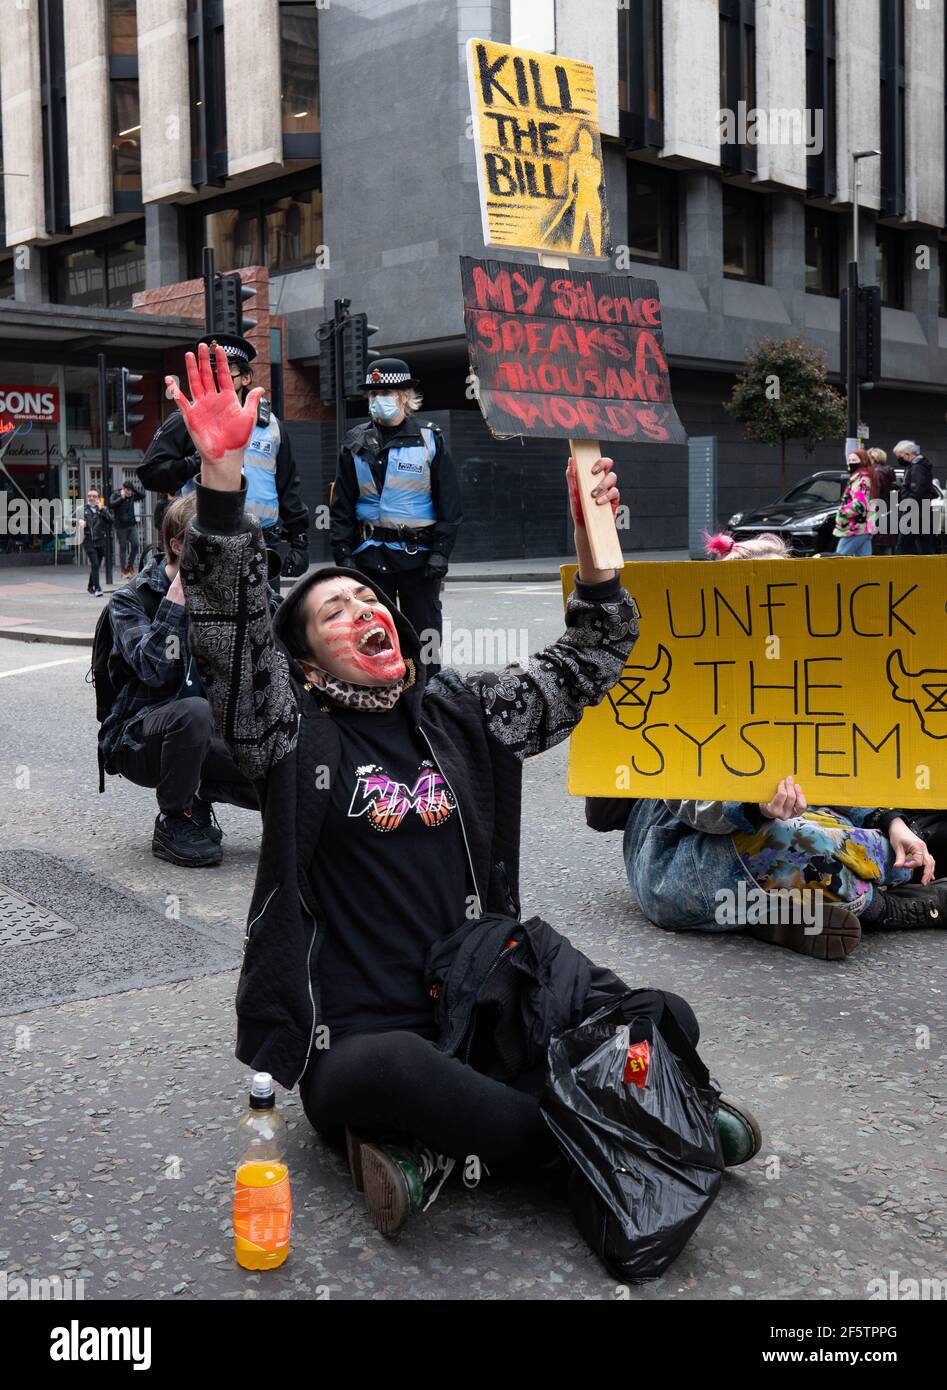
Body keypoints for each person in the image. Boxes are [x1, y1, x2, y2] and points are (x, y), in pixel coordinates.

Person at [172, 342, 761, 1237]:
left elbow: (590, 660)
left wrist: (595, 554)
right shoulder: (289, 732)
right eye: (333, 612)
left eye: (368, 601)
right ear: (299, 658)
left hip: (484, 1002)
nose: (363, 612)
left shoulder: (463, 711)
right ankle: (636, 1129)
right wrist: (221, 478)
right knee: (411, 1080)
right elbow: (231, 643)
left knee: (657, 1014)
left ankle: (451, 1150)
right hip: (368, 1040)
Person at [588, 532, 947, 959]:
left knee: (851, 833)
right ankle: (889, 908)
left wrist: (891, 822)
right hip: (678, 864)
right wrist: (752, 807)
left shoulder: (801, 679)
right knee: (801, 842)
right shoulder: (690, 684)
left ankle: (779, 913)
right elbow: (692, 805)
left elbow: (840, 771)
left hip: (771, 848)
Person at [99, 493, 256, 868]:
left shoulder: (225, 589)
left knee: (279, 743)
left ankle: (200, 795)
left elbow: (279, 648)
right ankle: (174, 818)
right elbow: (154, 669)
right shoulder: (131, 600)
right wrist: (178, 598)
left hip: (212, 733)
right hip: (141, 739)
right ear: (178, 545)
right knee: (193, 713)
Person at [329, 358, 462, 674]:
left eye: (385, 392)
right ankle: (385, 699)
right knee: (375, 637)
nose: (378, 400)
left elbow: (450, 506)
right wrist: (343, 555)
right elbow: (341, 507)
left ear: (404, 396)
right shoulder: (355, 443)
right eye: (373, 394)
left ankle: (430, 697)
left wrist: (441, 554)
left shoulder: (430, 440)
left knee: (424, 634)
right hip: (370, 558)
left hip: (420, 560)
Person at [138, 332, 310, 577]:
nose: (215, 376)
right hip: (205, 545)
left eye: (224, 368)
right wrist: (198, 461)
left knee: (265, 614)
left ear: (247, 377)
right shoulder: (187, 420)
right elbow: (150, 473)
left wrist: (299, 540)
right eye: (208, 369)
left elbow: (288, 486)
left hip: (261, 546)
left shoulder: (271, 425)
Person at [893, 439, 938, 555]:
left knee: (902, 548)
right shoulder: (918, 466)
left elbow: (917, 491)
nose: (898, 459)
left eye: (900, 456)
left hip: (914, 512)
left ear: (908, 454)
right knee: (924, 547)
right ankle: (931, 571)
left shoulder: (917, 468)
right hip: (920, 511)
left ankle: (901, 571)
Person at [833, 448, 876, 556]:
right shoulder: (866, 477)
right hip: (864, 526)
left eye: (854, 460)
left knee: (838, 558)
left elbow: (860, 504)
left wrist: (842, 511)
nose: (850, 463)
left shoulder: (861, 479)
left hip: (855, 527)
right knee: (864, 563)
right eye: (849, 460)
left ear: (862, 461)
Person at [79, 488, 113, 596]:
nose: (91, 498)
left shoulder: (102, 509)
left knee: (96, 565)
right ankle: (97, 588)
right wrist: (78, 521)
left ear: (98, 498)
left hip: (100, 541)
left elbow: (110, 520)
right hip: (88, 540)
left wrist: (102, 509)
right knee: (95, 563)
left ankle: (90, 586)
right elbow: (69, 519)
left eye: (94, 496)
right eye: (89, 496)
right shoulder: (82, 509)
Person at [109, 478, 145, 578]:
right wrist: (122, 497)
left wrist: (133, 489)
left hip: (131, 525)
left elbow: (143, 496)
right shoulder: (116, 494)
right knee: (123, 547)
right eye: (128, 491)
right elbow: (111, 505)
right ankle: (123, 570)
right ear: (124, 489)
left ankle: (130, 566)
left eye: (130, 492)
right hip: (120, 526)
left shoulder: (132, 494)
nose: (130, 494)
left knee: (136, 544)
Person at [867, 447, 896, 555]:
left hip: (875, 511)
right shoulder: (890, 471)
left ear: (873, 458)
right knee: (887, 544)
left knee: (872, 543)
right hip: (889, 510)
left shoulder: (873, 473)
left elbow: (873, 494)